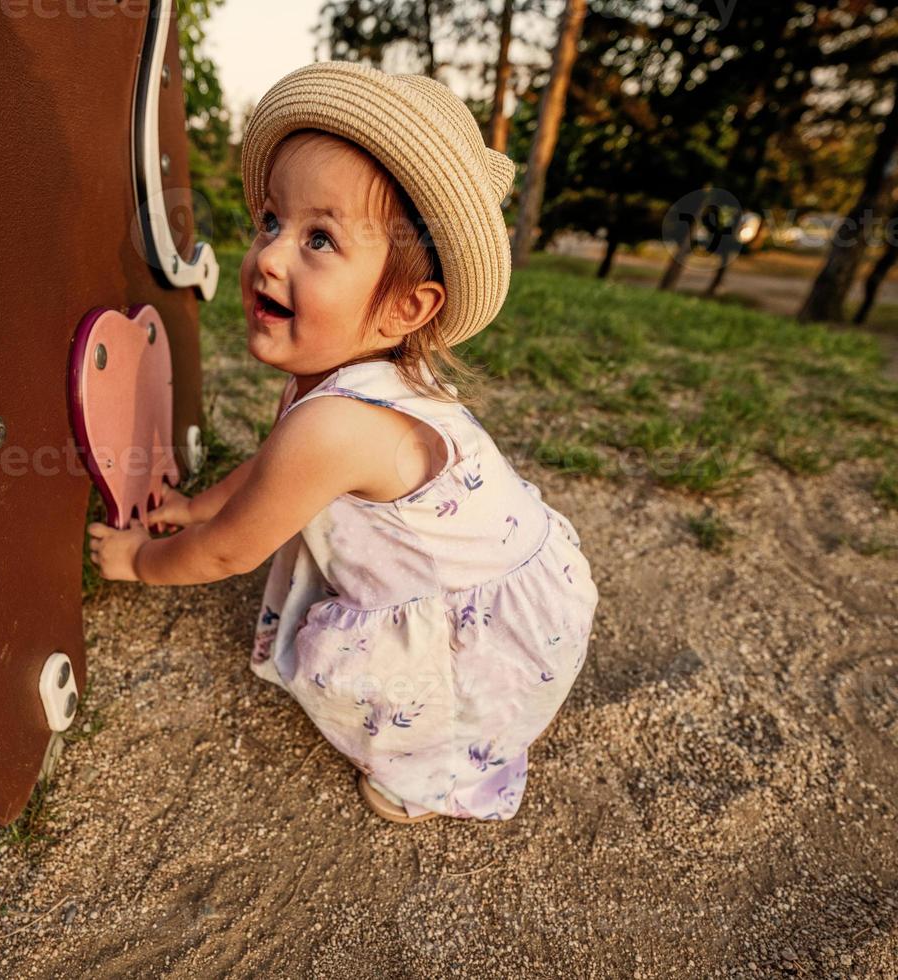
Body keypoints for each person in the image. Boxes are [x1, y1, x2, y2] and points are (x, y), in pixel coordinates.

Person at [87, 62, 598, 823]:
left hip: (488, 637)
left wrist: (142, 561)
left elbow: (234, 550)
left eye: (319, 238)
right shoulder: (348, 375)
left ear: (401, 308)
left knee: (406, 703)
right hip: (513, 578)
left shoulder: (338, 424)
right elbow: (270, 468)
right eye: (272, 223)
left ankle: (434, 774)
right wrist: (196, 507)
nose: (269, 255)